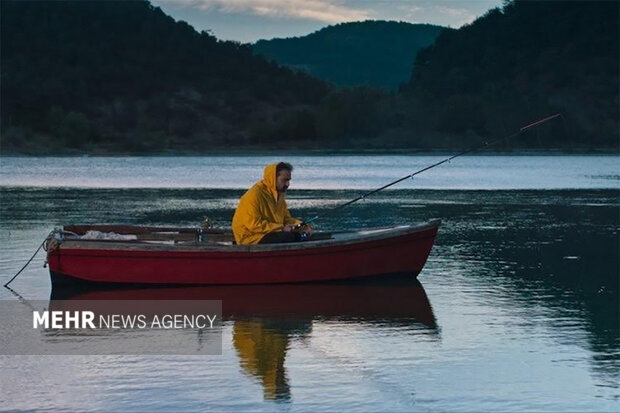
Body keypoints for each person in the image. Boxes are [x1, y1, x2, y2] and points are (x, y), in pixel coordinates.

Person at [232, 162, 312, 245]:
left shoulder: (279, 195)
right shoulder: (255, 195)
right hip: (251, 237)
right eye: (285, 180)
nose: (288, 184)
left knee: (295, 234)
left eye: (288, 180)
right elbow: (254, 225)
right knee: (287, 237)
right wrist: (282, 228)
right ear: (273, 178)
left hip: (269, 233)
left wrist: (301, 225)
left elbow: (286, 219)